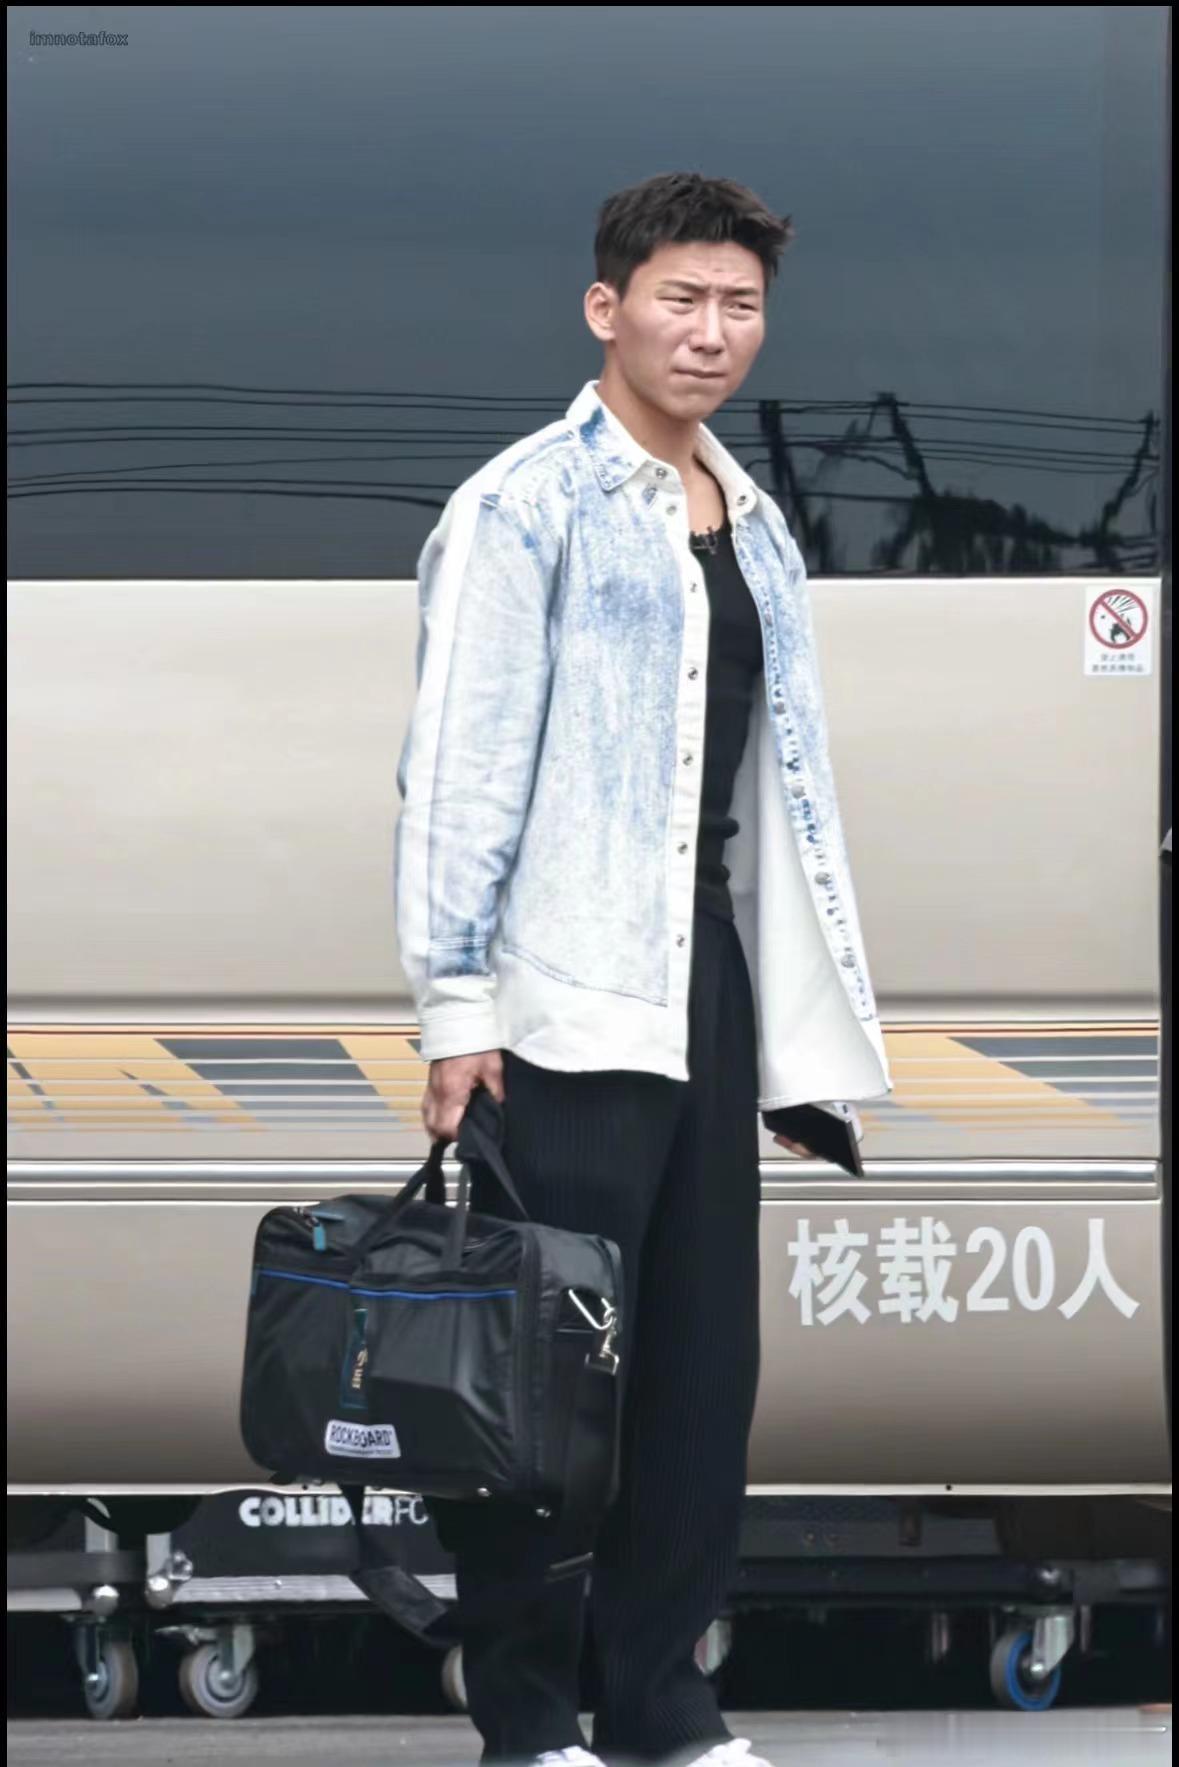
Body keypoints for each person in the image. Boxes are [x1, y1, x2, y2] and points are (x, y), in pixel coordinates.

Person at [393, 171, 893, 1767]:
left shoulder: (756, 522)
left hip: (705, 984)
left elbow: (777, 796)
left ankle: (663, 1701)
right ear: (607, 309)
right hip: (561, 998)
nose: (711, 332)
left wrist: (794, 1038)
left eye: (740, 305)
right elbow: (458, 777)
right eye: (682, 299)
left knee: (696, 1372)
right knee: (550, 1383)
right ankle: (529, 1718)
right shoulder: (521, 508)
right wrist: (456, 1009)